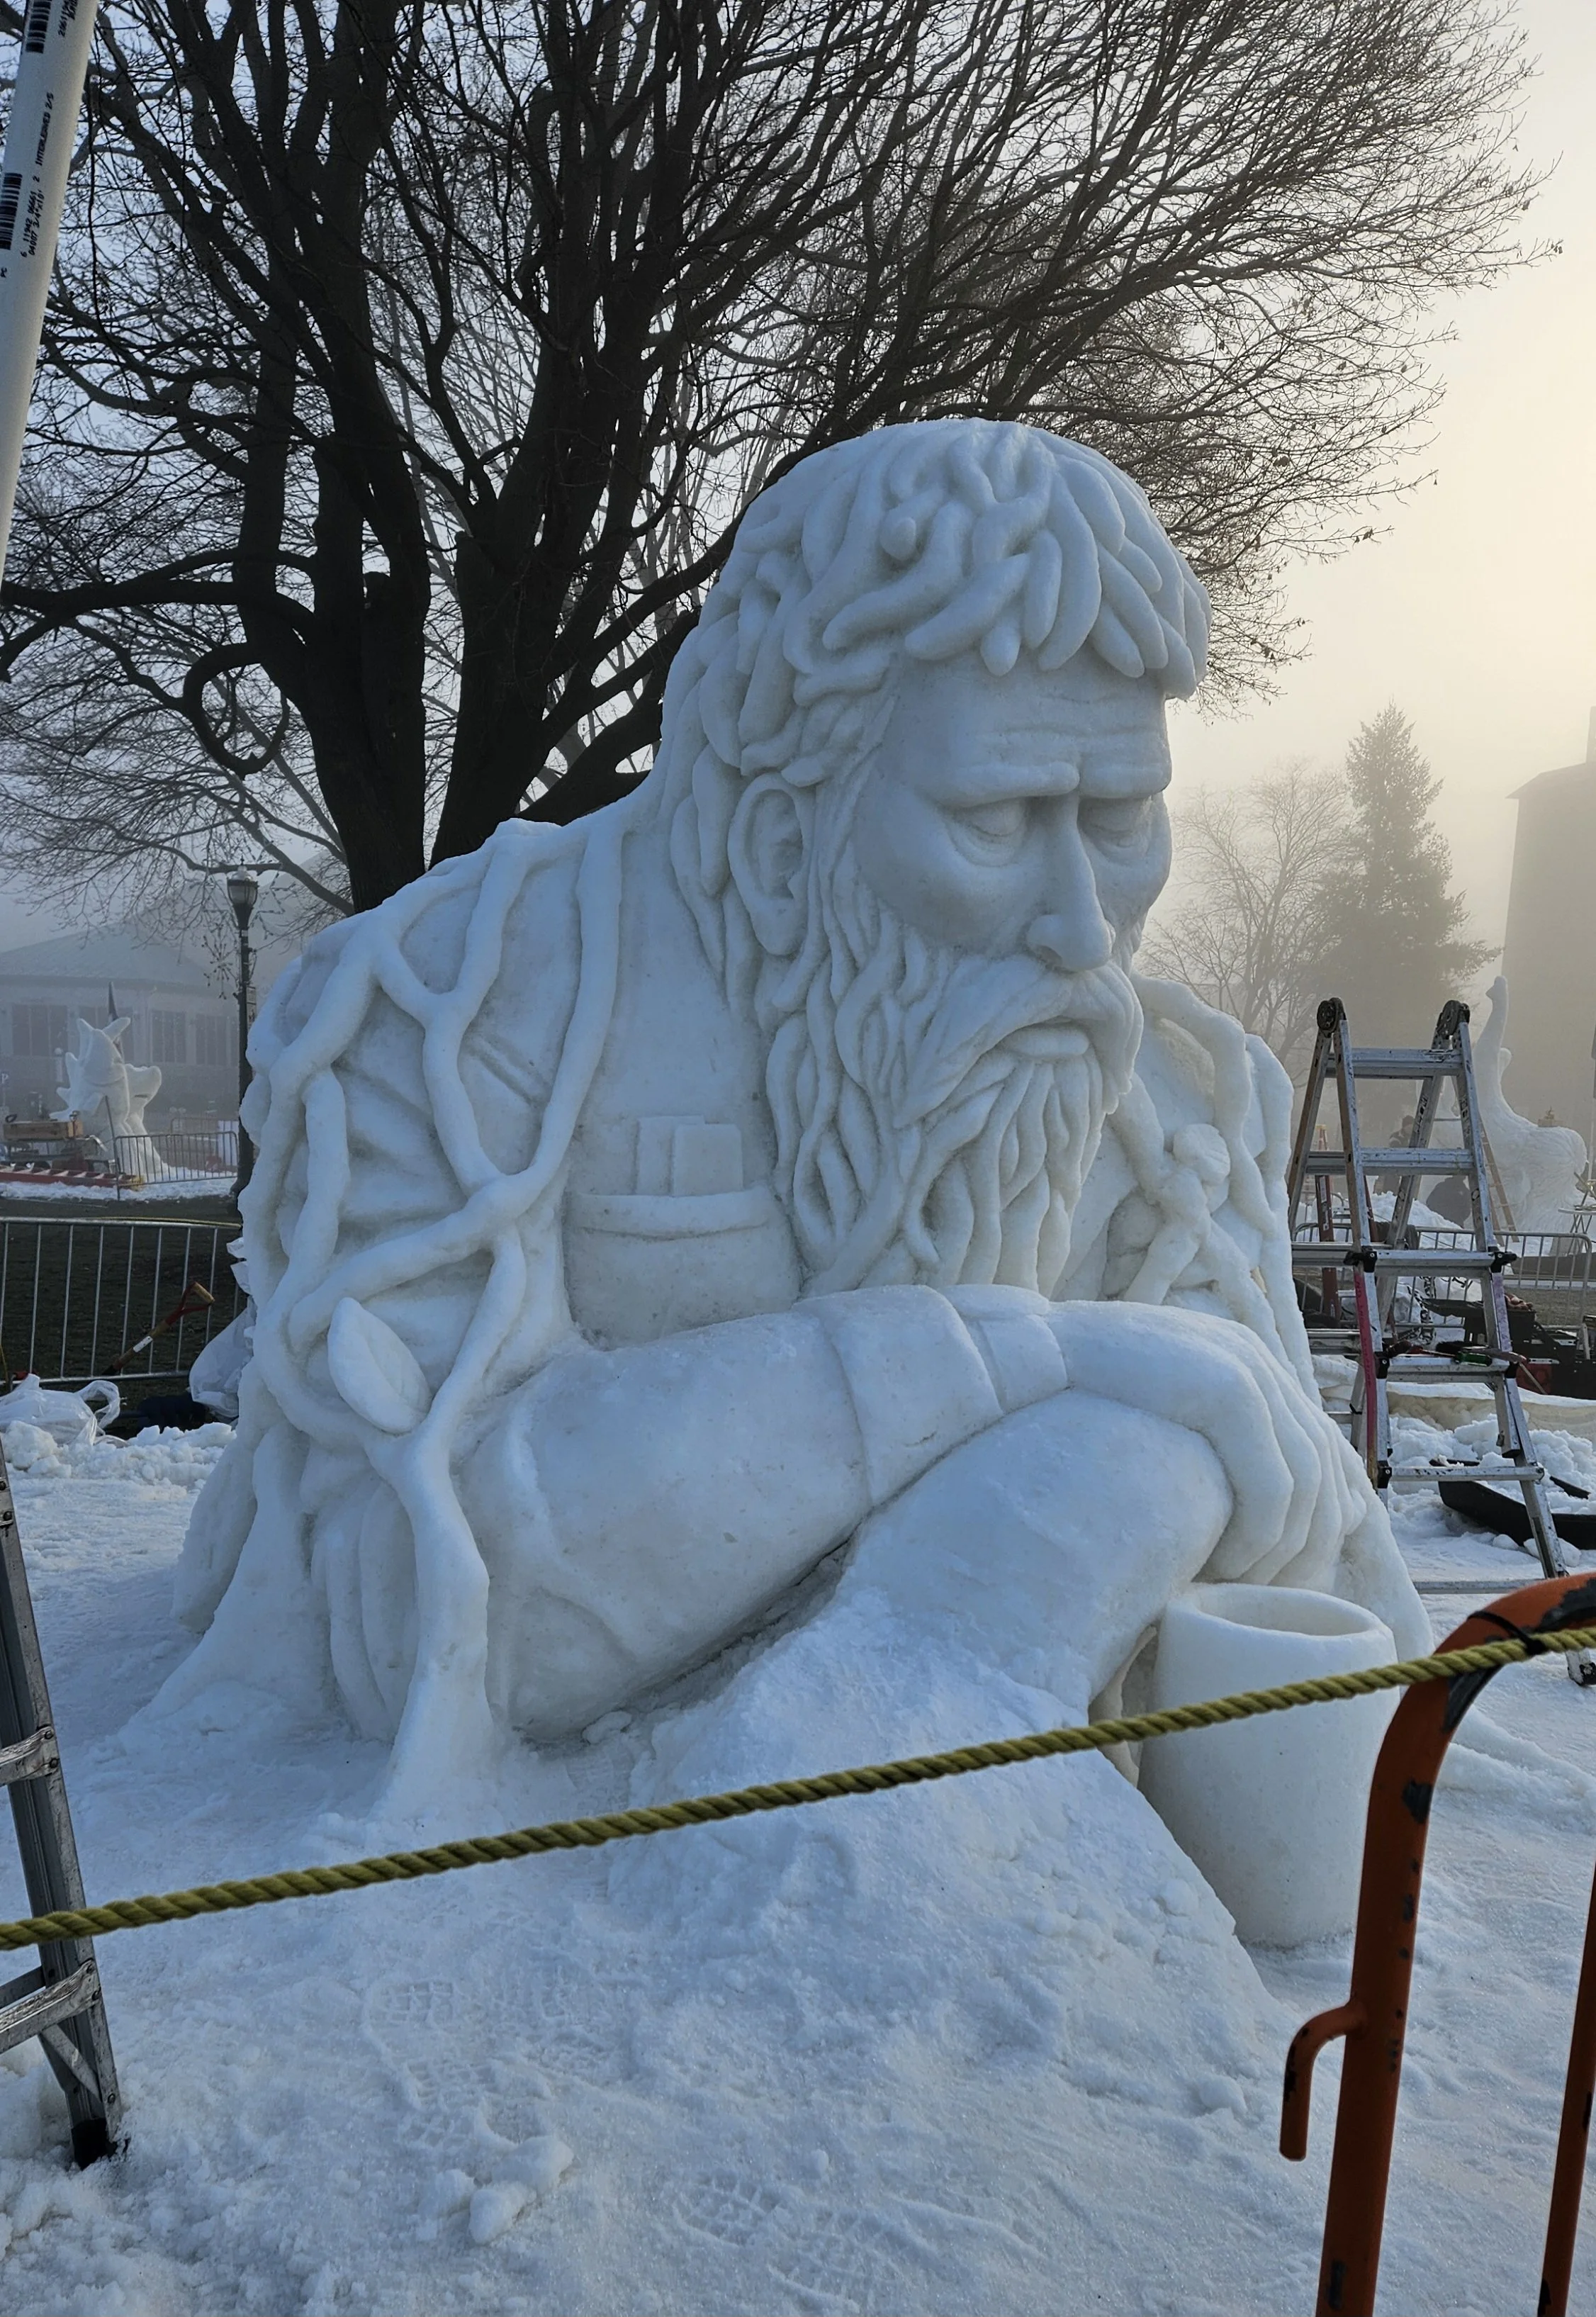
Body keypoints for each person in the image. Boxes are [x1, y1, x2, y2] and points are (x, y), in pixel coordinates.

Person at [164, 420, 1422, 1793]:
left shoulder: (1177, 1086)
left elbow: (1306, 1567)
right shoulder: (456, 1004)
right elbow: (396, 1609)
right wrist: (1005, 1358)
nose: (1078, 923)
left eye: (1120, 819)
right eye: (995, 820)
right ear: (781, 830)